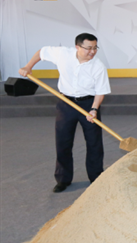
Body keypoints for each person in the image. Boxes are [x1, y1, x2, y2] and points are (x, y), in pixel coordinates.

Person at [19, 33, 111, 193]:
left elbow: (100, 91)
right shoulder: (63, 54)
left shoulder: (98, 66)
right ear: (77, 47)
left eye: (95, 48)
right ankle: (63, 179)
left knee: (94, 142)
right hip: (66, 103)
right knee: (63, 141)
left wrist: (94, 109)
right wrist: (28, 67)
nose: (92, 51)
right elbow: (41, 52)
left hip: (88, 104)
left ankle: (96, 177)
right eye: (88, 48)